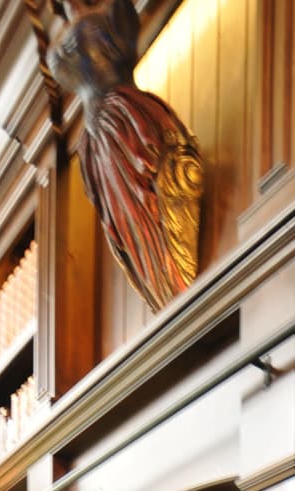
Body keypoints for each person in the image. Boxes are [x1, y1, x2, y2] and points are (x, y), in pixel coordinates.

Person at [48, 0, 204, 312]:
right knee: (133, 232)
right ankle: (166, 290)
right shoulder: (88, 146)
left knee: (149, 210)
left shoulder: (111, 14)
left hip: (121, 118)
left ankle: (172, 287)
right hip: (98, 136)